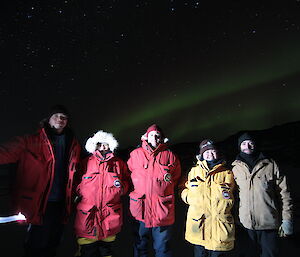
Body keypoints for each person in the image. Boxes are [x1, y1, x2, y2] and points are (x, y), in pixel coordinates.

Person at [0, 105, 81, 257]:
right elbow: (6, 152)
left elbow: (80, 168)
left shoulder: (73, 144)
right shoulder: (31, 141)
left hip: (63, 201)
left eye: (64, 117)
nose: (60, 119)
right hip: (41, 201)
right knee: (36, 243)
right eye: (56, 116)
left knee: (54, 241)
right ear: (48, 120)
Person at [232, 132, 293, 257]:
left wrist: (287, 219)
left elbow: (285, 194)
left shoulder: (270, 165)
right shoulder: (235, 168)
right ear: (239, 146)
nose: (247, 146)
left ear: (255, 145)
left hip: (268, 225)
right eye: (243, 143)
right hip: (245, 225)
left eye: (250, 143)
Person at [127, 124, 181, 257]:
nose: (155, 137)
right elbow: (128, 174)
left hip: (162, 210)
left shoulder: (170, 156)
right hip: (141, 209)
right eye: (152, 135)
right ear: (146, 137)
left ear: (162, 138)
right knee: (140, 246)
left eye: (158, 135)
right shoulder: (135, 154)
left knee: (163, 248)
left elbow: (175, 177)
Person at [74, 130, 130, 257]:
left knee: (106, 251)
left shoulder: (118, 163)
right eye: (100, 144)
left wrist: (121, 189)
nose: (103, 147)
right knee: (87, 251)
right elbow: (76, 180)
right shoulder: (86, 162)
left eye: (106, 144)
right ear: (95, 145)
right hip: (88, 215)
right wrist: (81, 189)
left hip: (110, 215)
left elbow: (127, 181)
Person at [181, 139, 235, 257]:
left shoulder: (227, 173)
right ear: (201, 155)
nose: (210, 154)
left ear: (218, 153)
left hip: (219, 227)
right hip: (199, 227)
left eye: (212, 151)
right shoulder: (194, 171)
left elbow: (235, 193)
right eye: (206, 152)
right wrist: (189, 198)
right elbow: (183, 189)